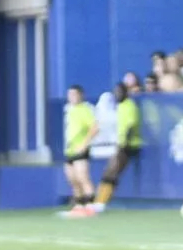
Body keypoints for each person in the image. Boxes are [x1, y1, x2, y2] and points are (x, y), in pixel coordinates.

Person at [93, 83, 143, 212]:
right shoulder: (119, 106)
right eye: (115, 92)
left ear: (125, 92)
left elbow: (131, 126)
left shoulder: (129, 105)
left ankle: (101, 202)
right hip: (120, 144)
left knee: (112, 171)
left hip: (128, 145)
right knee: (110, 172)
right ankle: (99, 200)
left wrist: (123, 145)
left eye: (119, 92)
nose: (117, 94)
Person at [61, 85, 98, 217]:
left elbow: (94, 128)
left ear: (80, 95)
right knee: (73, 179)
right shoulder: (69, 110)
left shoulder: (85, 109)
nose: (71, 97)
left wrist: (84, 144)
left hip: (80, 149)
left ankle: (91, 206)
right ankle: (79, 205)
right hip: (69, 150)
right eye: (69, 94)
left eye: (74, 94)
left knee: (83, 177)